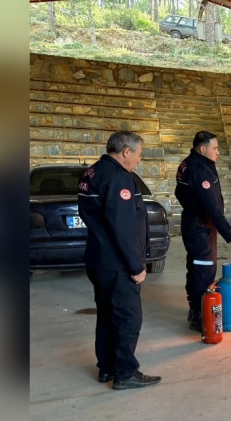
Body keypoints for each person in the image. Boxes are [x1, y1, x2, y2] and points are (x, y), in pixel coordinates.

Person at [78, 130, 160, 390]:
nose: (139, 160)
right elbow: (123, 228)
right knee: (128, 317)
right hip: (117, 262)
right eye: (138, 155)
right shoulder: (118, 179)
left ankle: (107, 368)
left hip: (98, 258)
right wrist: (136, 266)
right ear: (126, 151)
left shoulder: (93, 172)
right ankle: (125, 373)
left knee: (106, 314)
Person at [175, 131, 231, 332]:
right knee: (204, 272)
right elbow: (212, 209)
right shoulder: (199, 171)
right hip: (200, 229)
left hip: (196, 224)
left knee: (197, 268)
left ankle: (195, 309)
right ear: (202, 149)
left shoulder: (190, 163)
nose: (218, 152)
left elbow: (179, 192)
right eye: (215, 148)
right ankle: (200, 317)